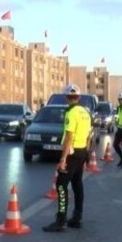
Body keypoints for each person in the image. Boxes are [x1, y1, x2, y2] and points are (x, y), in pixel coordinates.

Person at [43, 84, 92, 233]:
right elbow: (90, 134)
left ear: (66, 98)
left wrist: (63, 159)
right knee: (77, 184)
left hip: (72, 153)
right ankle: (77, 217)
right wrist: (87, 153)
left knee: (60, 184)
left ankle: (61, 220)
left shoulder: (71, 113)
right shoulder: (85, 112)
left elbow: (69, 136)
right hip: (82, 151)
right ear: (79, 97)